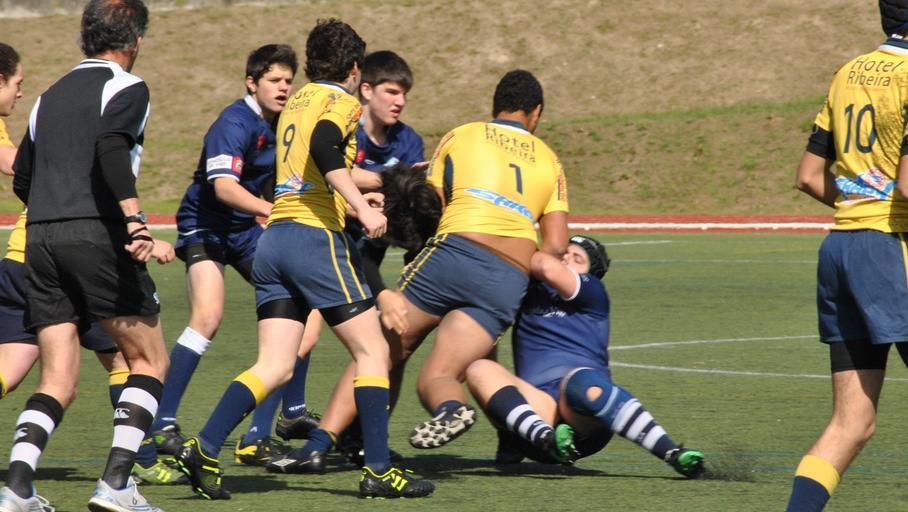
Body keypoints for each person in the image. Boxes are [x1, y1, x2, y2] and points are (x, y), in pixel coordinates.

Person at [173, 18, 434, 500]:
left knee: (275, 364)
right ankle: (378, 470)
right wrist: (360, 208)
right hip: (314, 241)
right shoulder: (342, 102)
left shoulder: (296, 102)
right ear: (355, 69)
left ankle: (204, 447)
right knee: (373, 352)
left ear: (311, 64)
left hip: (274, 240)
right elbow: (325, 147)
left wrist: (371, 189)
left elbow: (315, 164)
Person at [273, 69, 569, 467]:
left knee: (379, 348)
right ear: (536, 112)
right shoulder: (550, 159)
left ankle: (318, 446)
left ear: (495, 105)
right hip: (507, 276)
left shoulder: (462, 135)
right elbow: (556, 244)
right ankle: (450, 406)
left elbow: (432, 207)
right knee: (440, 374)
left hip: (455, 253)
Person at [0, 1, 173, 511]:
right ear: (135, 40)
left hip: (40, 241)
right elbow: (112, 148)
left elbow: (25, 175)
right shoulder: (126, 86)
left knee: (57, 379)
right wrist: (135, 220)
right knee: (149, 360)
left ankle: (17, 489)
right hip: (96, 235)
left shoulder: (48, 96)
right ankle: (116, 485)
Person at [146, 43, 319, 469]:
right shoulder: (233, 122)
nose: (283, 88)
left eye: (288, 80)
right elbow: (224, 188)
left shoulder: (283, 124)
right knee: (208, 316)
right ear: (251, 82)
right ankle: (161, 423)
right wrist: (273, 211)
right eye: (274, 80)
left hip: (243, 230)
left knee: (301, 304)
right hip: (205, 225)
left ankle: (265, 430)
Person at [785, 2, 908, 509]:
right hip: (890, 248)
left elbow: (808, 177)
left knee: (851, 424)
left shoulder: (847, 73)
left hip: (841, 247)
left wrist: (861, 201)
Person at [464, 235, 705, 477]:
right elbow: (488, 331)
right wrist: (501, 422)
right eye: (563, 254)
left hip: (585, 419)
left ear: (591, 273)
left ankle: (671, 452)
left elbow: (545, 266)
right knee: (479, 367)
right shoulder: (529, 292)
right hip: (536, 419)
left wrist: (511, 248)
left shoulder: (592, 290)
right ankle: (542, 440)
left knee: (579, 380)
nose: (565, 259)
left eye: (577, 258)